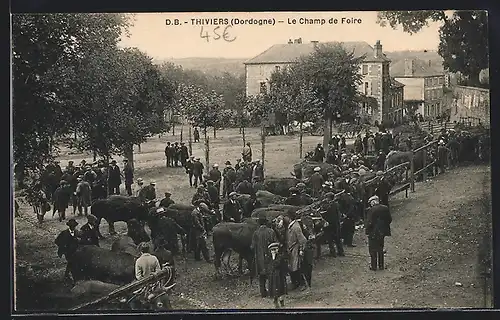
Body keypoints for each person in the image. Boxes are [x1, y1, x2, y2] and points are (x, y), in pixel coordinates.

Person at [250, 213, 278, 298]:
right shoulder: (271, 231)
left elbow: (252, 246)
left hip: (259, 258)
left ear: (259, 223)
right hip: (270, 257)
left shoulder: (256, 233)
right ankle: (272, 293)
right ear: (266, 222)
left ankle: (263, 293)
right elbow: (276, 244)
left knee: (261, 277)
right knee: (270, 276)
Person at [365, 195, 392, 271]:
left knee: (373, 250)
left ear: (373, 202)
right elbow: (389, 219)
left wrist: (367, 231)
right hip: (382, 232)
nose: (370, 204)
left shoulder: (372, 210)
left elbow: (369, 222)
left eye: (370, 203)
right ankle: (381, 266)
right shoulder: (385, 208)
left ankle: (374, 266)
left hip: (373, 232)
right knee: (380, 249)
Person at [284, 213, 307, 291]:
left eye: (286, 217)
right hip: (290, 249)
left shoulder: (296, 227)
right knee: (292, 267)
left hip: (295, 249)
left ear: (290, 218)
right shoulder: (290, 226)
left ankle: (302, 283)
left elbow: (302, 240)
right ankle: (295, 282)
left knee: (297, 267)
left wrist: (301, 250)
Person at [268, 242, 287, 308]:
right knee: (274, 289)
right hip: (273, 276)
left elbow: (276, 265)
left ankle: (282, 302)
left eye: (275, 249)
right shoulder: (269, 258)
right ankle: (275, 301)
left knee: (280, 289)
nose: (273, 251)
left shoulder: (280, 257)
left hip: (279, 276)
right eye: (272, 250)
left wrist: (274, 259)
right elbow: (269, 267)